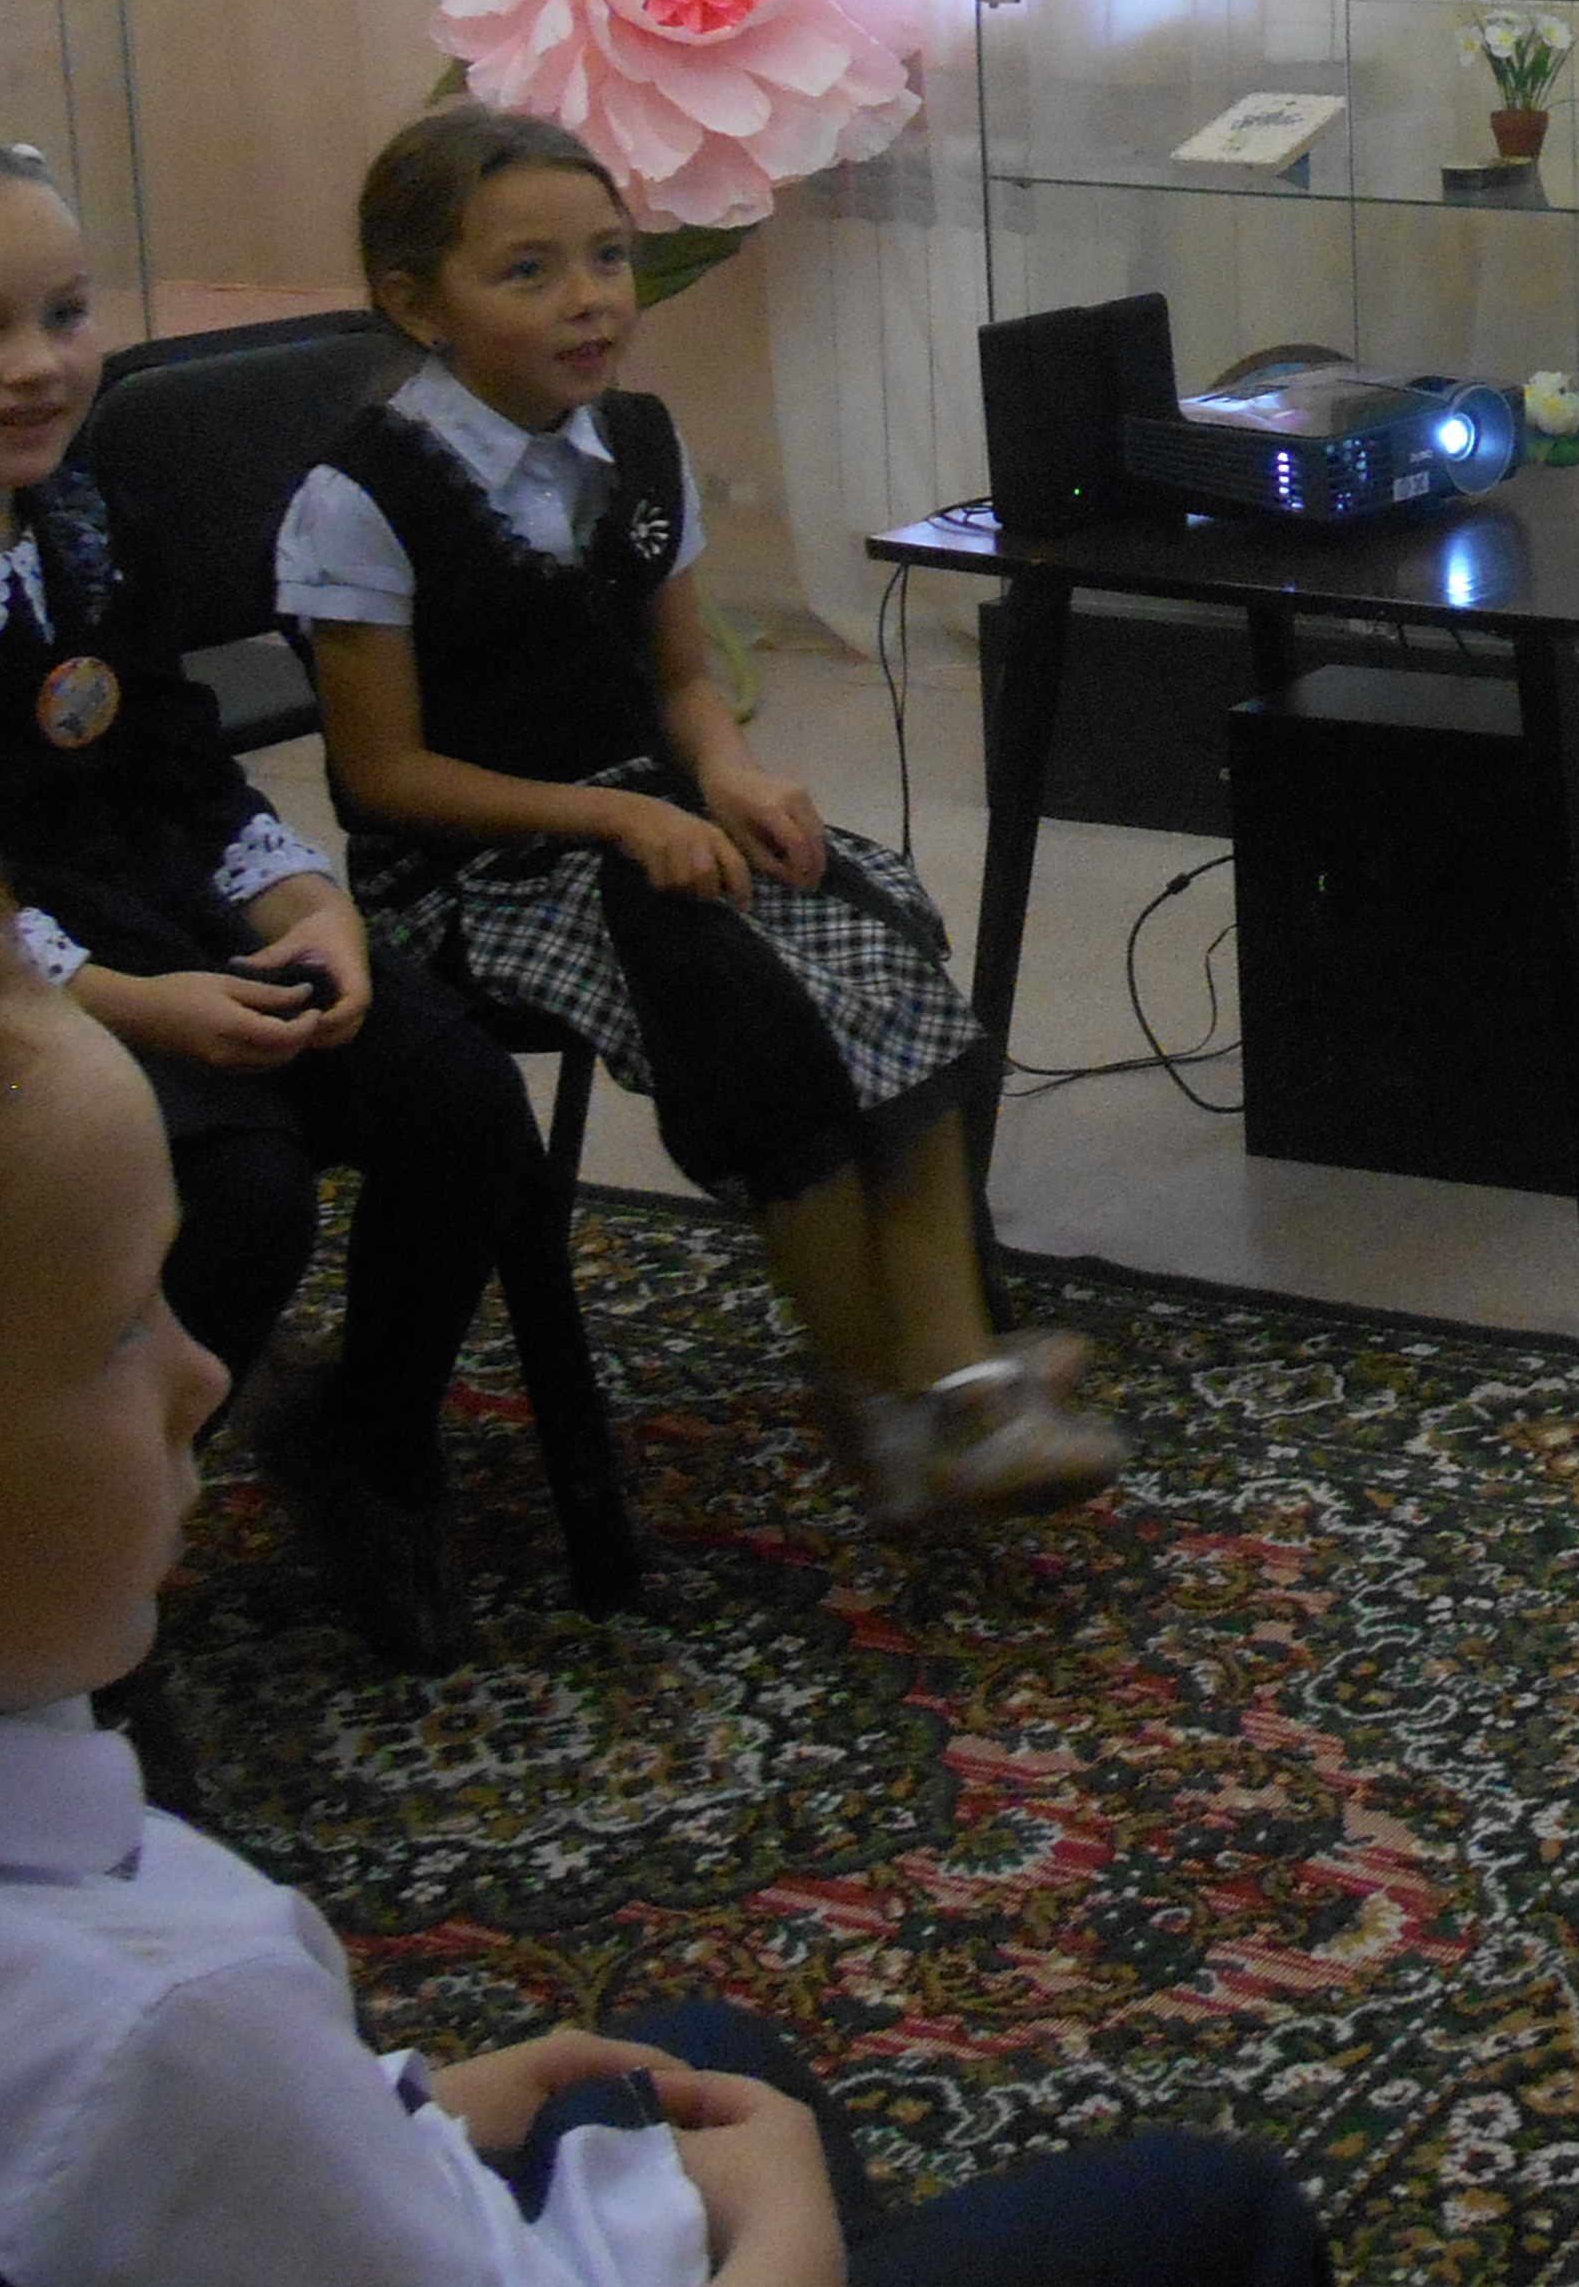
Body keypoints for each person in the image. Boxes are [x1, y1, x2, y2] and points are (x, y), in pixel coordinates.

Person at [0, 850, 1332, 2287]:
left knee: (697, 2047)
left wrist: (392, 2110)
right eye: (120, 1333)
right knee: (1216, 2224)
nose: (206, 1376)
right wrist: (785, 2230)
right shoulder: (167, 2036)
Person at [0, 128, 538, 1671]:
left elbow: (177, 763)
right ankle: (79, 1537)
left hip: (136, 930)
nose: (37, 365)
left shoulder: (82, 521)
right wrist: (123, 1004)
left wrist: (300, 902)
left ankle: (368, 1440)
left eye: (66, 314)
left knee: (456, 1095)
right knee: (234, 1192)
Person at [286, 103, 1117, 1532]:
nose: (590, 299)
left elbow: (681, 677)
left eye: (608, 257)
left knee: (878, 935)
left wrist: (726, 771)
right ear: (418, 303)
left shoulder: (640, 442)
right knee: (748, 1006)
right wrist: (612, 824)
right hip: (475, 872)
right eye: (530, 271)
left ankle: (955, 1373)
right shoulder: (362, 496)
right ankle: (891, 1398)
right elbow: (384, 777)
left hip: (645, 817)